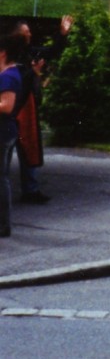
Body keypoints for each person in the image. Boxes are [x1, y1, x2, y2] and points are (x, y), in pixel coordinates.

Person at [14, 16, 69, 204]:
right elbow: (16, 80)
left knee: (29, 147)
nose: (29, 33)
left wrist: (62, 35)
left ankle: (31, 189)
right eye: (26, 31)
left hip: (25, 104)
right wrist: (34, 73)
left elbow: (52, 51)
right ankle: (29, 189)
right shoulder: (9, 56)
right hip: (12, 105)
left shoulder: (29, 52)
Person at [0, 30, 31, 238]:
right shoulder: (7, 73)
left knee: (0, 178)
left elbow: (6, 105)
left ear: (2, 53)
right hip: (6, 131)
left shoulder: (9, 76)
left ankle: (3, 225)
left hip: (2, 131)